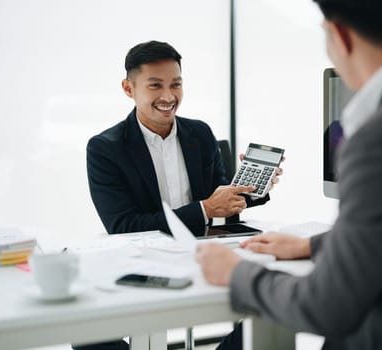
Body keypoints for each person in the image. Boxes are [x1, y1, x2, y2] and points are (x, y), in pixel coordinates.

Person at [196, 0, 382, 349]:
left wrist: (235, 272)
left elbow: (327, 306)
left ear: (339, 35)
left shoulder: (381, 136)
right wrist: (311, 245)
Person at [81, 41, 280, 350]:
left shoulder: (199, 133)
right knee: (88, 334)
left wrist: (256, 187)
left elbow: (223, 197)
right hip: (143, 264)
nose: (168, 97)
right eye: (155, 85)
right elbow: (122, 225)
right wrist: (204, 209)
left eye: (176, 84)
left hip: (201, 254)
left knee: (270, 301)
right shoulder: (105, 148)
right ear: (128, 88)